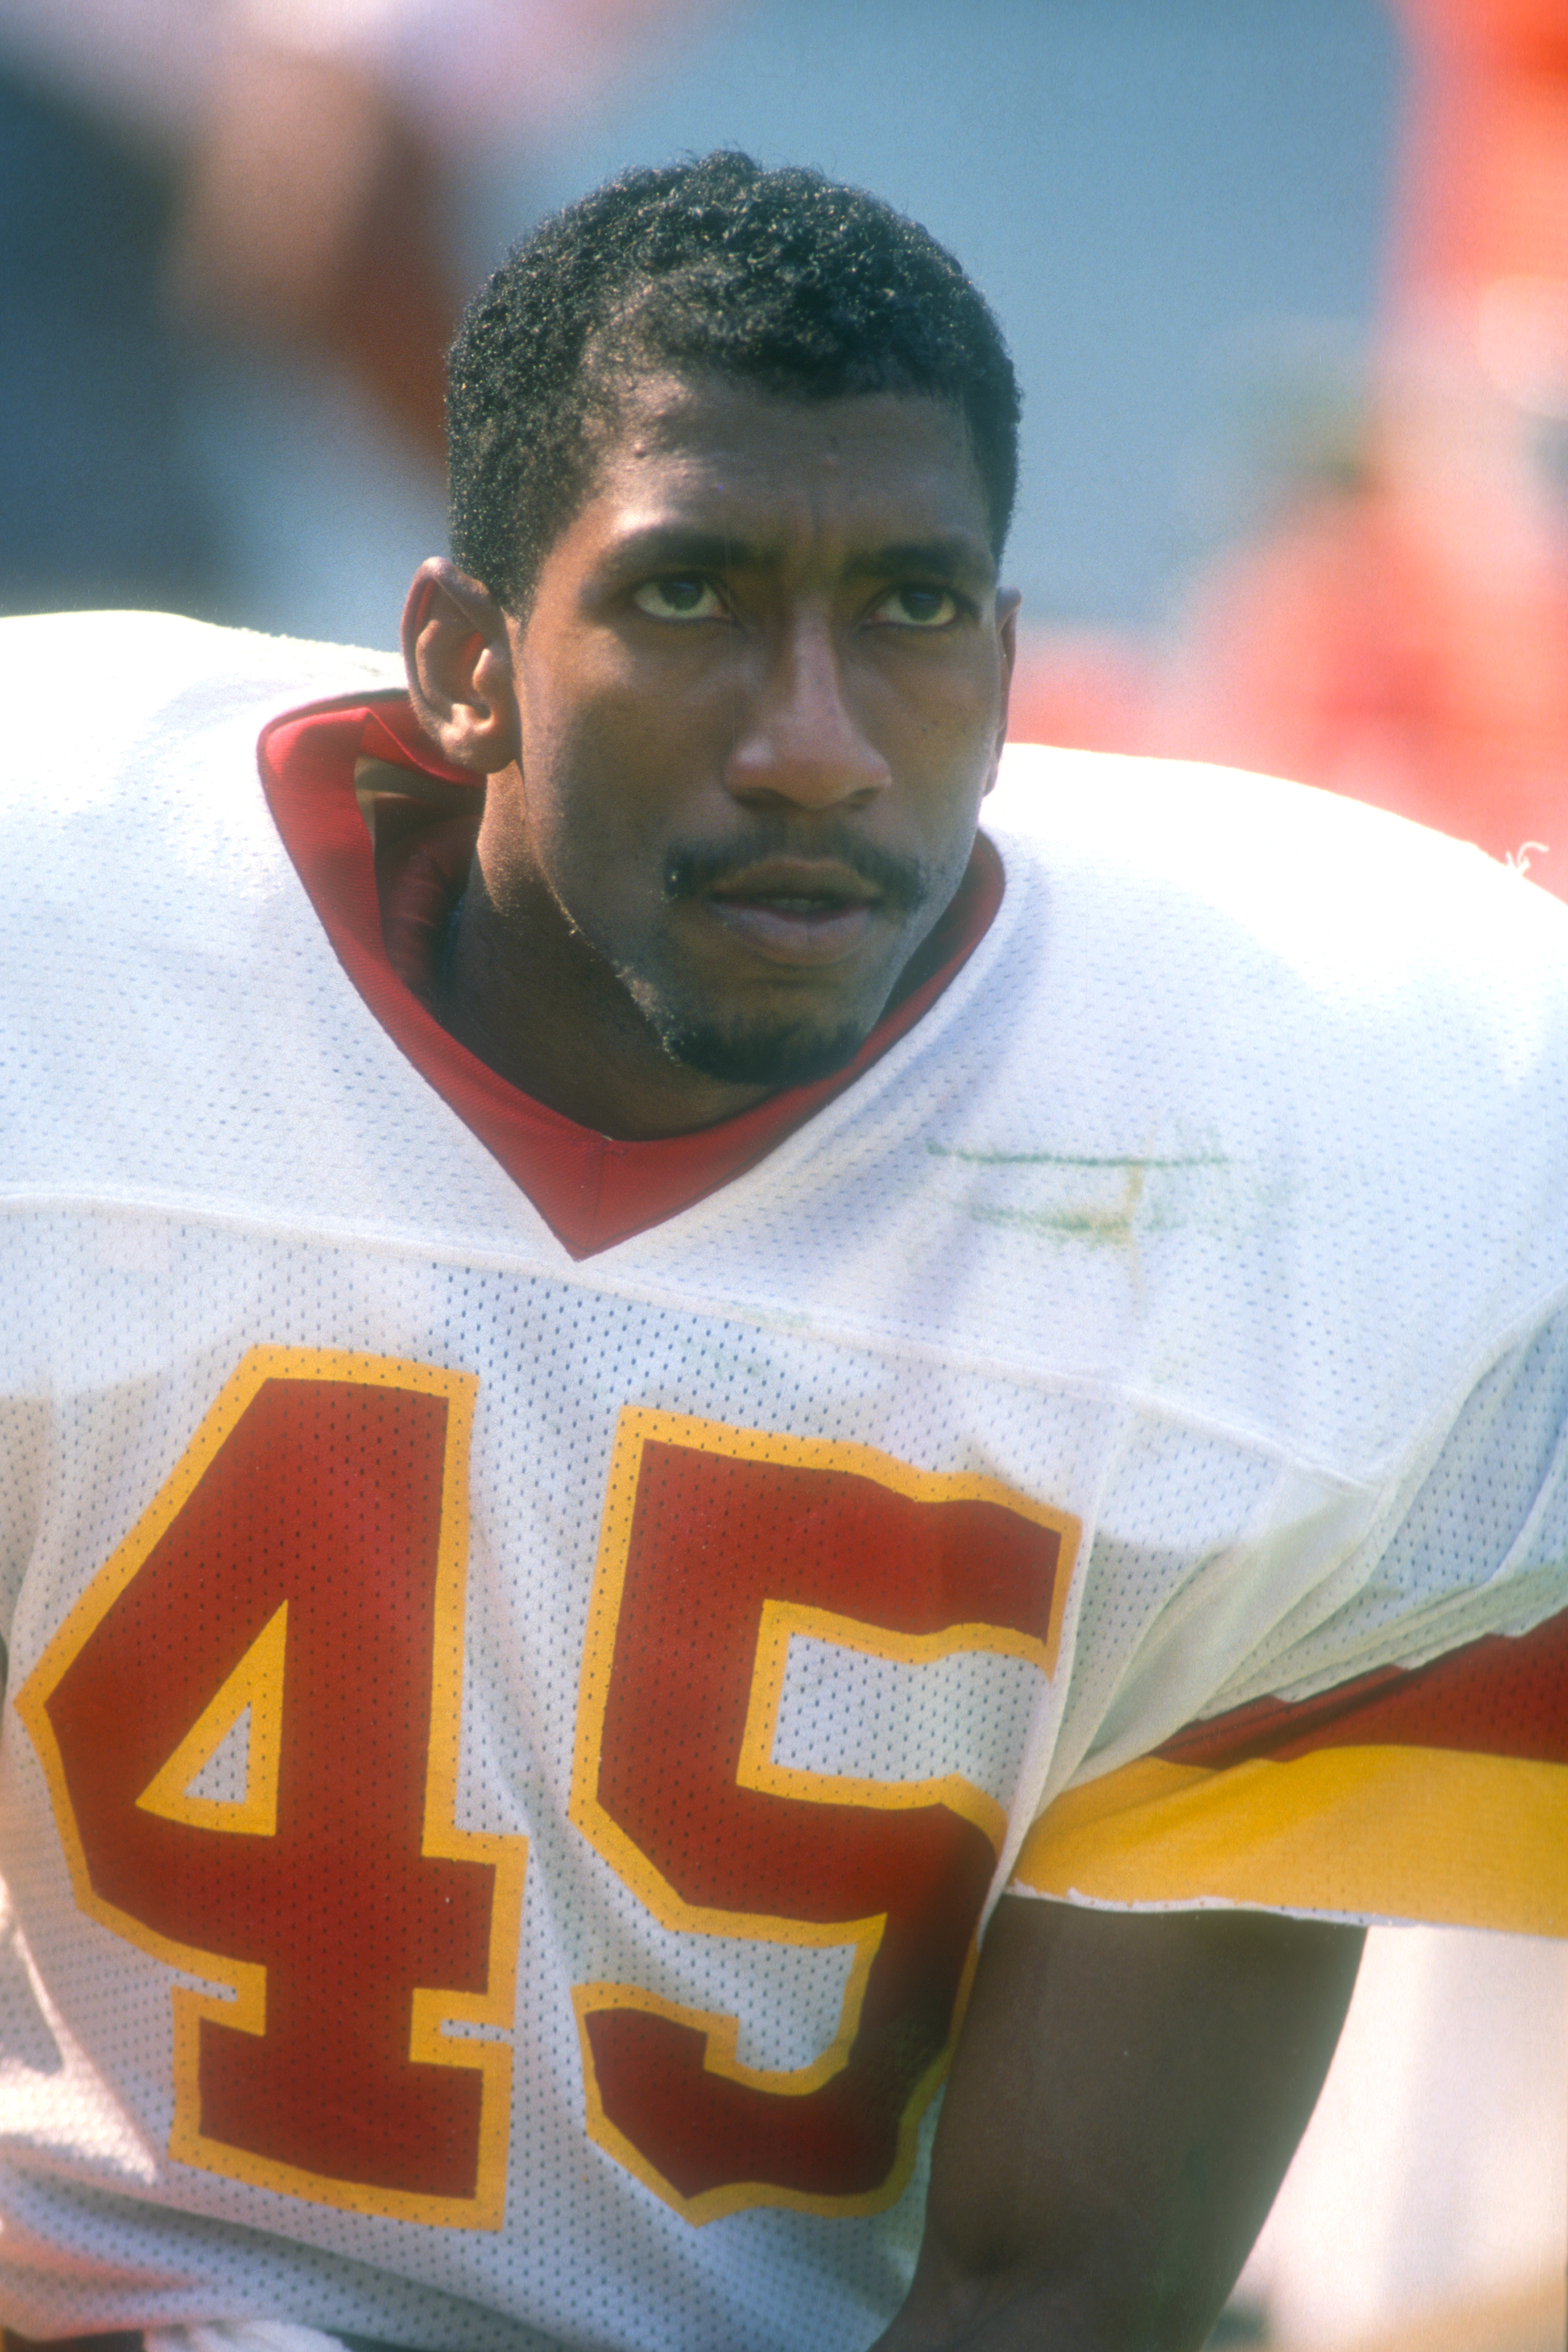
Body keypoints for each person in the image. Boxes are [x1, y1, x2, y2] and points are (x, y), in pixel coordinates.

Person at [0, 152, 1564, 2352]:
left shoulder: (1308, 1148)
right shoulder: (55, 948)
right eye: (690, 596)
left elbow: (1061, 2291)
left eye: (913, 610)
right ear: (464, 658)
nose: (814, 745)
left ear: (1013, 664)